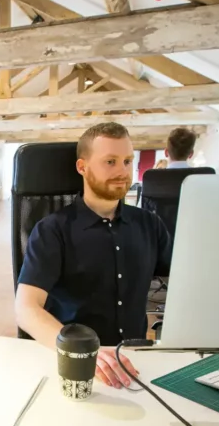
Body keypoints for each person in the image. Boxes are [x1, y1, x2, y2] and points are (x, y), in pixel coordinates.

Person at [14, 123, 172, 389]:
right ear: (82, 167)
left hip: (135, 361)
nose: (122, 171)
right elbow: (26, 309)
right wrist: (79, 351)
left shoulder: (149, 224)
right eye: (110, 161)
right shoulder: (53, 230)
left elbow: (178, 282)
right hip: (75, 363)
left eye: (127, 161)